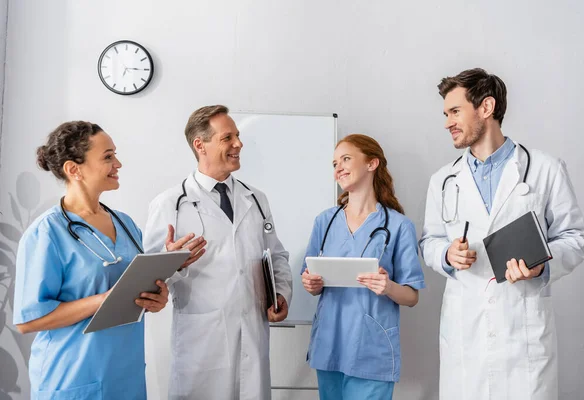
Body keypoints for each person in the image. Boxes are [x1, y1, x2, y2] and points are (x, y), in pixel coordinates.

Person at [419, 68, 584, 399]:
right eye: (445, 113)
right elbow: (429, 241)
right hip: (465, 333)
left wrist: (542, 266)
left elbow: (576, 236)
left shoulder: (543, 169)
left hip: (522, 334)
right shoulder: (443, 180)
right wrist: (446, 254)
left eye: (455, 111)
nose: (447, 122)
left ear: (486, 107)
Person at [12, 121, 205, 400]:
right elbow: (28, 321)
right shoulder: (47, 233)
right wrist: (103, 301)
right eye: (108, 156)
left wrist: (157, 293)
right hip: (72, 376)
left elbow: (133, 291)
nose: (118, 163)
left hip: (125, 375)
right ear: (73, 169)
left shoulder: (124, 223)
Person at [144, 105, 293, 400]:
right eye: (228, 138)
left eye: (237, 136)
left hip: (253, 333)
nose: (238, 144)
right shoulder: (170, 204)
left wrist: (282, 292)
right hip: (202, 345)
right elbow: (149, 282)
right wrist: (174, 262)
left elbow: (276, 256)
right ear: (200, 145)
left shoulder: (256, 199)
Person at [300, 134, 425, 400]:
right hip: (329, 346)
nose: (339, 168)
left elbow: (412, 296)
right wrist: (310, 284)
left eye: (346, 159)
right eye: (334, 164)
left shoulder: (399, 226)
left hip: (371, 348)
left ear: (372, 163)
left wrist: (388, 286)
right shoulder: (325, 221)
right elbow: (310, 282)